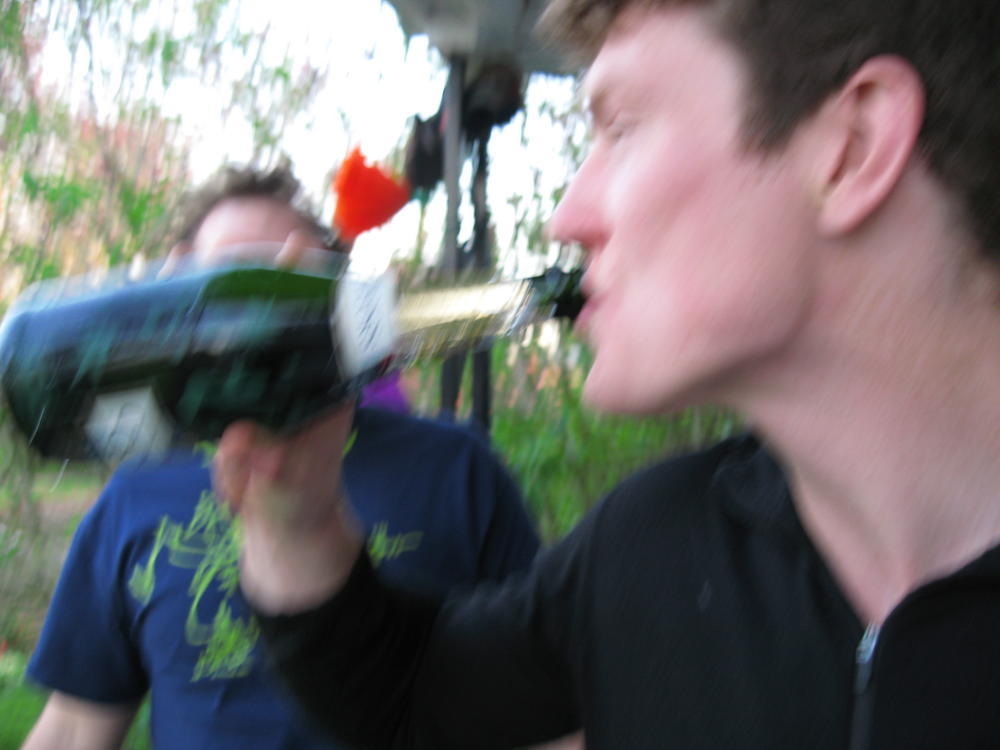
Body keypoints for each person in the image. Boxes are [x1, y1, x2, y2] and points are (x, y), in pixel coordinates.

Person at [214, 1, 1000, 749]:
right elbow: (405, 695)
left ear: (853, 145)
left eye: (621, 128)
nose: (566, 217)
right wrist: (295, 510)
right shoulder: (654, 546)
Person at [20, 165, 542, 749]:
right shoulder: (137, 491)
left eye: (287, 280)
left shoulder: (454, 469)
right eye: (234, 280)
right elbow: (73, 729)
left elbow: (546, 708)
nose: (261, 316)